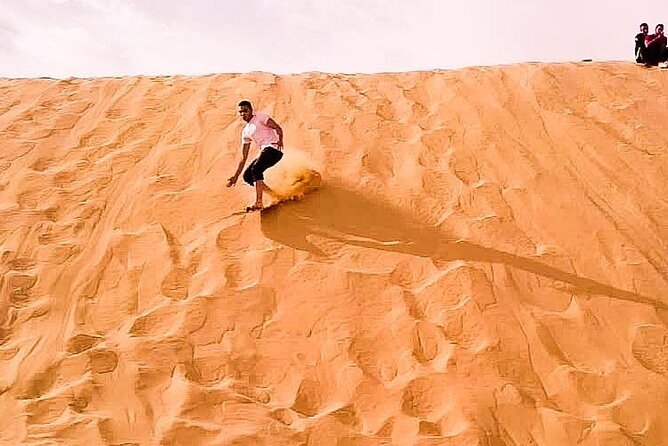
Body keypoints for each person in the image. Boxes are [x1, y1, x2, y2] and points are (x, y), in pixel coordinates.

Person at [227, 100, 284, 211]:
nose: (243, 113)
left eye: (245, 110)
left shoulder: (260, 117)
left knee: (256, 170)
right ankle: (274, 194)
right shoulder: (245, 132)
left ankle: (259, 202)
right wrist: (235, 176)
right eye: (241, 112)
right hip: (265, 151)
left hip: (274, 149)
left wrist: (280, 140)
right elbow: (244, 157)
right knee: (248, 176)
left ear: (251, 110)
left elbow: (277, 127)